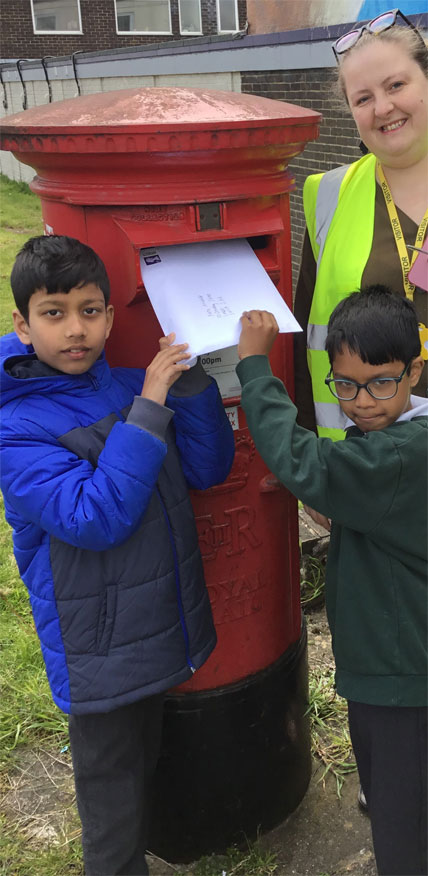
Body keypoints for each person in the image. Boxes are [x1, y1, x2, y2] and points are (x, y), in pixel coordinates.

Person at [0, 235, 235, 876]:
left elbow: (212, 469)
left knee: (142, 772)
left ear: (110, 314)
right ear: (22, 324)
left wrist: (186, 387)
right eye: (54, 312)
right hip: (94, 647)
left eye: (91, 309)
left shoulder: (132, 385)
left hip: (157, 628)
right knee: (111, 817)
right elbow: (92, 516)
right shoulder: (15, 426)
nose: (75, 330)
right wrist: (152, 405)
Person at [235, 287, 427, 876]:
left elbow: (303, 462)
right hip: (395, 663)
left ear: (415, 371)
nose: (360, 402)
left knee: (399, 822)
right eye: (344, 385)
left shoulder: (402, 455)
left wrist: (252, 366)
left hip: (399, 677)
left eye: (379, 383)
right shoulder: (397, 440)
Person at [294, 8, 428, 449]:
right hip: (364, 458)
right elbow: (306, 335)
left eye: (396, 85)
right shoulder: (326, 194)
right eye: (363, 98)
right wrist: (312, 452)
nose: (383, 108)